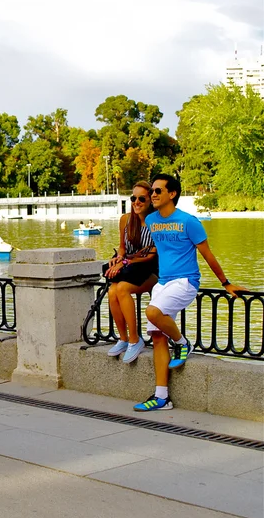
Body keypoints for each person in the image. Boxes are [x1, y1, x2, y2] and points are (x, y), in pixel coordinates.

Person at [133, 174, 246, 412]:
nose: (153, 195)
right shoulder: (152, 220)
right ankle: (161, 397)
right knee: (157, 337)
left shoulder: (189, 221)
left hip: (185, 282)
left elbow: (207, 254)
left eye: (157, 191)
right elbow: (151, 243)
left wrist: (226, 283)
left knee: (153, 312)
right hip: (163, 283)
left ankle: (183, 343)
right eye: (151, 191)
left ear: (172, 194)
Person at [105, 181, 158, 363]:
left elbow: (150, 256)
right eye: (133, 198)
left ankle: (135, 340)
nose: (136, 202)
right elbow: (122, 247)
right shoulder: (126, 220)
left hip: (151, 271)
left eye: (141, 198)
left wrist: (124, 262)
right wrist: (118, 258)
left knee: (122, 289)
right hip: (129, 269)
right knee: (112, 291)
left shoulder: (156, 223)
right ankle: (123, 338)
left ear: (150, 200)